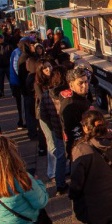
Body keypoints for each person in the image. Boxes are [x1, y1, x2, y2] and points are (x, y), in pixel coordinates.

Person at [39, 64, 70, 194]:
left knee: (60, 157)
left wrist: (52, 126)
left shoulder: (46, 94)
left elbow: (43, 115)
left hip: (57, 131)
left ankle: (60, 185)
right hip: (70, 131)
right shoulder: (69, 93)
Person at [60, 66, 94, 156]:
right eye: (80, 83)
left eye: (86, 82)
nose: (84, 85)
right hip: (81, 150)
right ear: (71, 85)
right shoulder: (70, 104)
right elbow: (73, 132)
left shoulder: (83, 98)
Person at [9, 39, 26, 129]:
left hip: (17, 82)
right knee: (21, 103)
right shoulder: (17, 53)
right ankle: (22, 122)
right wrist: (23, 79)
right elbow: (17, 68)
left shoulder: (17, 52)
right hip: (18, 83)